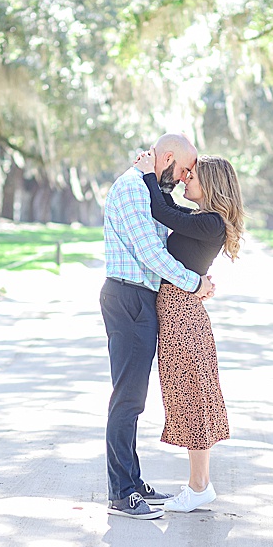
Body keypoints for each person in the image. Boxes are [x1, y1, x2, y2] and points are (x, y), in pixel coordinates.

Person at [101, 133, 216, 520]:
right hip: (129, 297)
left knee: (134, 397)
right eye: (183, 168)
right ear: (166, 157)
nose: (184, 178)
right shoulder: (133, 189)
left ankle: (132, 481)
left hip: (139, 299)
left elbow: (166, 230)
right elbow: (152, 255)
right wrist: (195, 282)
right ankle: (121, 492)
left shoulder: (144, 189)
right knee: (128, 398)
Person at [133, 148, 246, 513]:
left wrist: (150, 172)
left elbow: (160, 211)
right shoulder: (203, 219)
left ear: (210, 185)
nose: (185, 178)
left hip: (183, 316)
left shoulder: (211, 222)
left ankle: (199, 486)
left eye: (191, 176)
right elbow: (168, 210)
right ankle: (199, 485)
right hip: (178, 312)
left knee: (192, 398)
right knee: (186, 397)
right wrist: (158, 179)